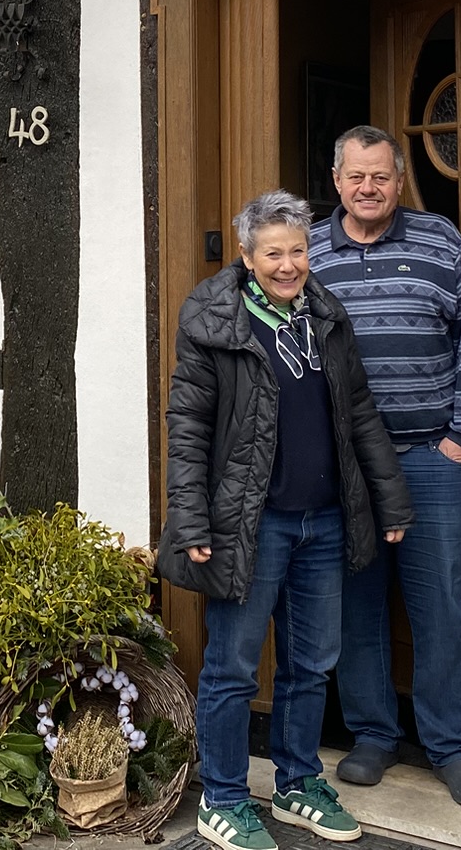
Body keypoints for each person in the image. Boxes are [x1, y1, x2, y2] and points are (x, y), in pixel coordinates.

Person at [159, 189, 415, 850]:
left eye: (297, 251)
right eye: (273, 253)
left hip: (322, 523)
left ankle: (298, 783)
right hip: (251, 525)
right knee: (233, 669)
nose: (287, 265)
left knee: (311, 663)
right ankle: (223, 797)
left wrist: (389, 500)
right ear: (247, 256)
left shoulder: (325, 315)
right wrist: (191, 522)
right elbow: (188, 428)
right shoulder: (213, 320)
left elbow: (359, 412)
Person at [308, 125, 461, 809]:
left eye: (381, 177)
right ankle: (372, 735)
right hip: (347, 470)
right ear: (337, 181)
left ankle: (454, 748)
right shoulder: (308, 254)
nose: (369, 188)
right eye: (356, 176)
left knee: (445, 605)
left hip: (431, 459)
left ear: (398, 181)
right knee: (356, 605)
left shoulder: (440, 241)